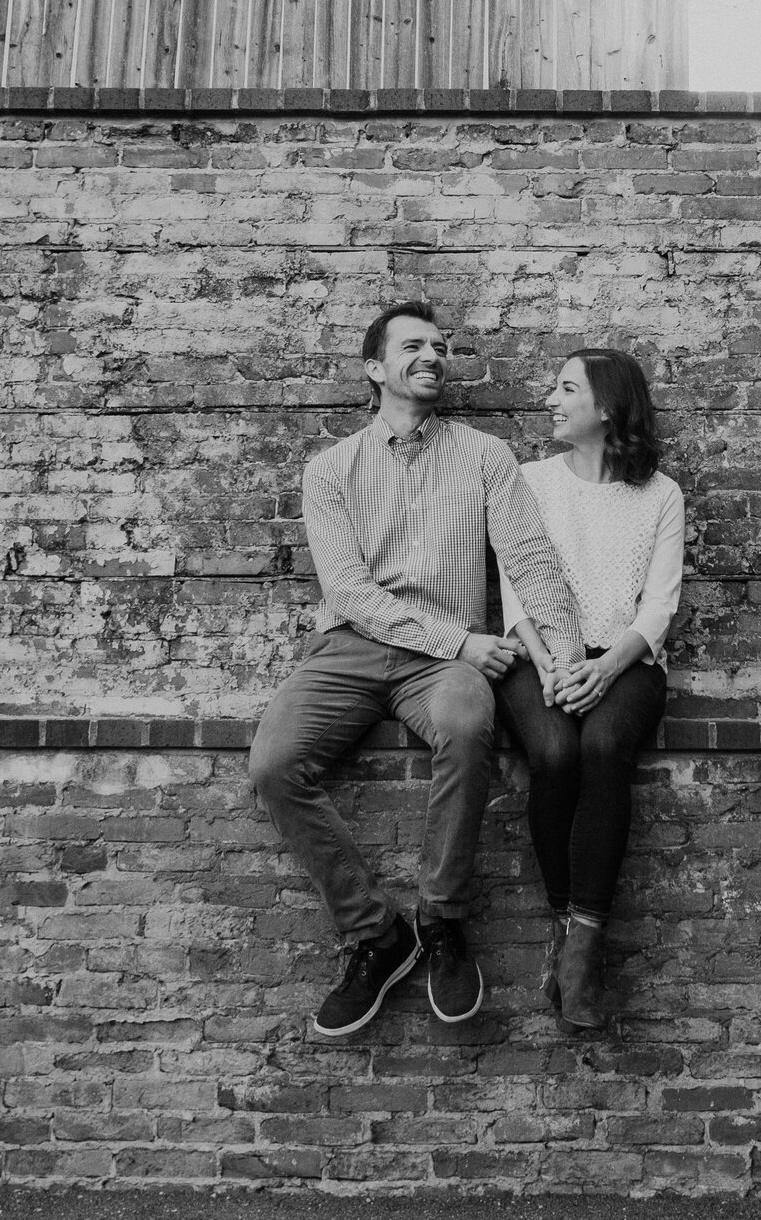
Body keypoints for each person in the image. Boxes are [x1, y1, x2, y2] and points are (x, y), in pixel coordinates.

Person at [250, 300, 585, 1040]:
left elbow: (530, 560)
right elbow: (348, 591)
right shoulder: (330, 469)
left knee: (468, 723)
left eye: (440, 345)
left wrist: (566, 656)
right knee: (273, 763)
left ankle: (441, 921)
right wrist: (461, 642)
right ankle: (376, 933)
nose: (433, 354)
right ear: (376, 369)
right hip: (353, 646)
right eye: (413, 345)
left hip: (441, 666)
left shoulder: (485, 456)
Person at [495, 347, 685, 1034]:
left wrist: (605, 670)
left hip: (627, 660)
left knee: (604, 743)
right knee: (555, 753)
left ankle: (580, 951)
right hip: (537, 653)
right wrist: (550, 663)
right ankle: (568, 919)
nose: (551, 397)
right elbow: (515, 589)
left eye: (565, 387)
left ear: (605, 406)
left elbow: (658, 607)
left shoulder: (661, 495)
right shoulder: (528, 481)